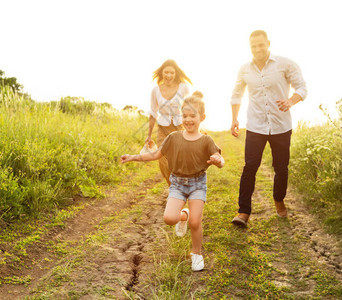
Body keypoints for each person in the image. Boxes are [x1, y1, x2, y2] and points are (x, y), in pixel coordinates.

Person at [122, 92, 224, 271]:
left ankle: (197, 254)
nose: (188, 120)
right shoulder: (173, 138)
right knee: (169, 219)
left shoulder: (206, 140)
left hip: (197, 183)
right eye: (185, 116)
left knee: (195, 222)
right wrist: (133, 157)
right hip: (177, 183)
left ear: (202, 117)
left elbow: (218, 158)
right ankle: (183, 215)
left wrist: (218, 161)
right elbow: (155, 154)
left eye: (193, 116)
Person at [230, 30, 308, 226]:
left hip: (281, 126)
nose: (257, 49)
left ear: (268, 44)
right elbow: (237, 94)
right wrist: (234, 119)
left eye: (260, 45)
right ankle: (243, 212)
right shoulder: (244, 69)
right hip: (255, 125)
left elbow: (302, 88)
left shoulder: (285, 64)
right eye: (253, 46)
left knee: (281, 168)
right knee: (250, 168)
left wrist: (291, 101)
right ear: (250, 47)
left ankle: (279, 200)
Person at [146, 59, 192, 185]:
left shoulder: (183, 88)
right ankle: (172, 188)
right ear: (162, 73)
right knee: (163, 160)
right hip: (163, 129)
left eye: (172, 72)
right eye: (166, 72)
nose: (169, 75)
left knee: (181, 160)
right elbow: (153, 112)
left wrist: (194, 130)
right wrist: (149, 135)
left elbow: (190, 108)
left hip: (180, 127)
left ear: (176, 74)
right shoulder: (156, 90)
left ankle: (182, 188)